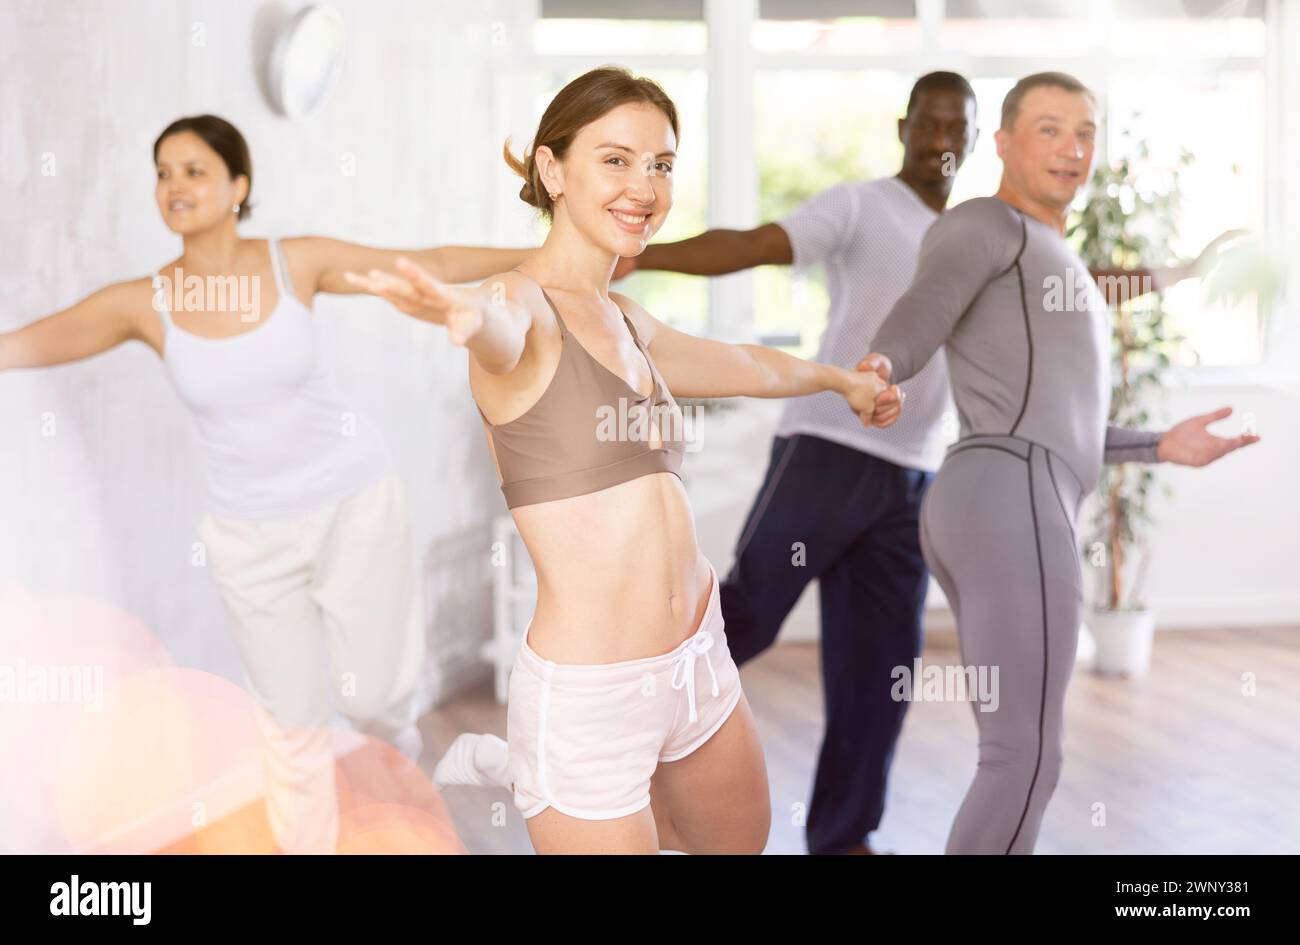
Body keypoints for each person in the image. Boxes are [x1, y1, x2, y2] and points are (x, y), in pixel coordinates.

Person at [343, 66, 901, 854]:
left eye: (662, 163)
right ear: (550, 169)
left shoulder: (628, 320)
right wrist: (464, 315)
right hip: (592, 697)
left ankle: (525, 770)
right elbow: (500, 327)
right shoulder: (521, 305)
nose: (644, 185)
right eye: (615, 159)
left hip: (699, 657)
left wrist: (840, 379)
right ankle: (538, 764)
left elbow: (747, 363)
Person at [0, 114, 533, 854]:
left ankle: (398, 755)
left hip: (354, 505)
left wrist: (548, 256)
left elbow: (426, 258)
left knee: (373, 699)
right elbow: (21, 345)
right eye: (162, 172)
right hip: (249, 536)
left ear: (238, 185)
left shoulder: (295, 262)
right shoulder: (143, 301)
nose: (174, 185)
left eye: (194, 170)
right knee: (290, 727)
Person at [862, 72, 1260, 854]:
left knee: (1018, 755)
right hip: (1011, 494)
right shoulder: (986, 224)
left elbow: (1059, 409)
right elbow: (926, 301)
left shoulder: (1049, 256)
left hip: (996, 488)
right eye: (1048, 128)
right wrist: (882, 364)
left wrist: (1158, 444)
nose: (1071, 147)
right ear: (1002, 142)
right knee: (1024, 759)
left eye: (1084, 131)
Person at [620, 70, 976, 855]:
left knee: (881, 667)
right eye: (929, 125)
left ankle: (844, 837)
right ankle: (610, 754)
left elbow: (1058, 289)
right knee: (746, 615)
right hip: (827, 450)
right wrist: (640, 257)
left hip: (911, 474)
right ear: (903, 128)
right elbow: (752, 246)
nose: (942, 141)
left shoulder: (977, 237)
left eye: (958, 127)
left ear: (975, 139)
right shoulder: (860, 206)